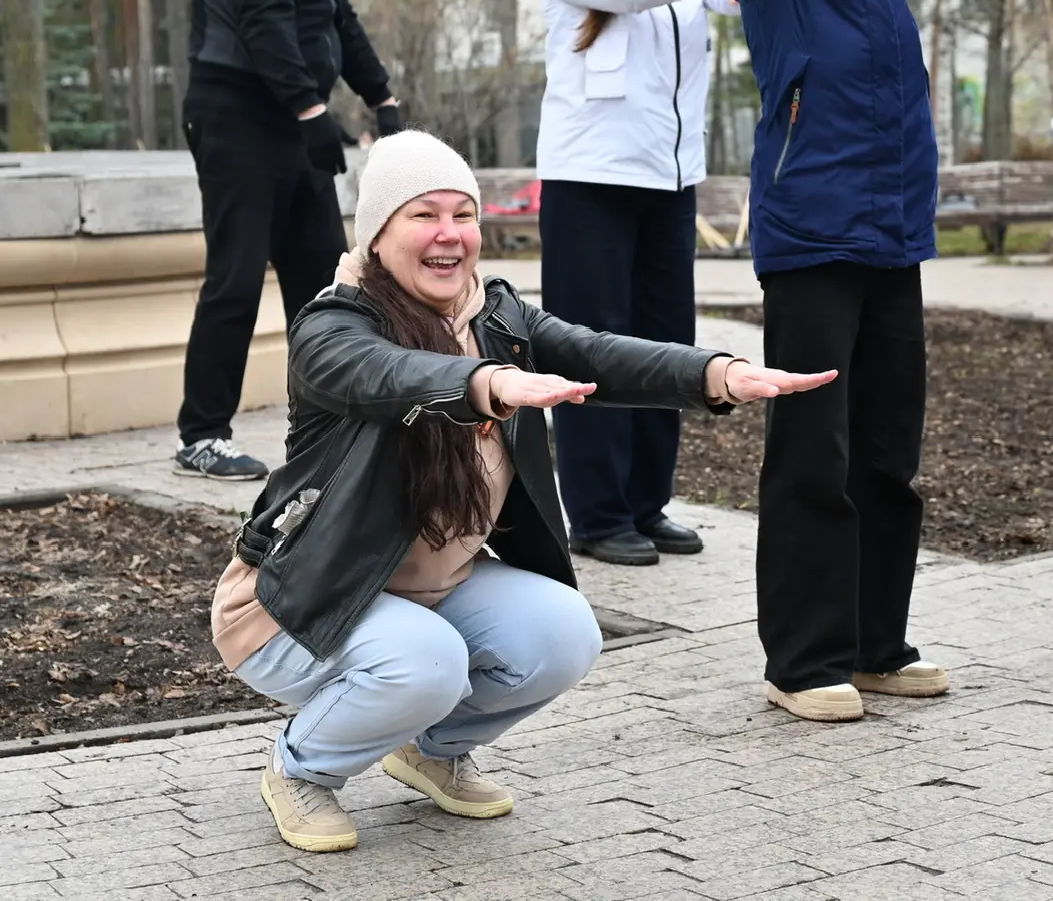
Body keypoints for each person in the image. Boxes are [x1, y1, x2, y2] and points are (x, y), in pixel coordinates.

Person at [212, 129, 834, 852]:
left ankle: (432, 751)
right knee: (428, 663)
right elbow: (387, 375)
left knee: (562, 633)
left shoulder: (496, 317)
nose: (448, 234)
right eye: (423, 215)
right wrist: (486, 383)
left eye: (463, 215)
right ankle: (301, 768)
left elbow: (598, 354)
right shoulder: (332, 327)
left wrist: (716, 375)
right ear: (378, 234)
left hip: (427, 593)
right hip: (300, 604)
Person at [704, 0, 1053, 718]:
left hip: (890, 245)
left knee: (885, 455)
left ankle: (876, 642)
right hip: (810, 250)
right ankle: (802, 661)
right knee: (811, 456)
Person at [175, 0, 403, 480]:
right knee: (237, 276)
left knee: (321, 283)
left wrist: (382, 99)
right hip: (236, 114)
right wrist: (310, 109)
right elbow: (262, 21)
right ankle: (203, 435)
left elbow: (339, 18)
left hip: (295, 119)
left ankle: (326, 431)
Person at [535, 0, 738, 566]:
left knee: (664, 344)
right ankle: (596, 514)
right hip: (590, 181)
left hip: (669, 180)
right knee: (592, 347)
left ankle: (648, 504)